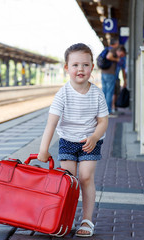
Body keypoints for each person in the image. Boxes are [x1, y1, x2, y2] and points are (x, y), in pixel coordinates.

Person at [37, 43, 109, 237]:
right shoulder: (62, 94)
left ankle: (86, 220)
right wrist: (43, 150)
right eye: (75, 65)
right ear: (67, 68)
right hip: (68, 140)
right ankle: (64, 218)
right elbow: (51, 123)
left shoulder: (97, 94)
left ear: (92, 67)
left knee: (85, 177)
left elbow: (103, 121)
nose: (80, 69)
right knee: (68, 182)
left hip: (90, 142)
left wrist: (94, 137)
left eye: (85, 65)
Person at [101, 39, 126, 114]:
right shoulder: (113, 50)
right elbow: (108, 57)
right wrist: (117, 59)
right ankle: (108, 111)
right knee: (109, 93)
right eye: (122, 54)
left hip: (104, 73)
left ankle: (102, 110)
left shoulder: (109, 49)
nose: (121, 56)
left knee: (104, 92)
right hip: (110, 74)